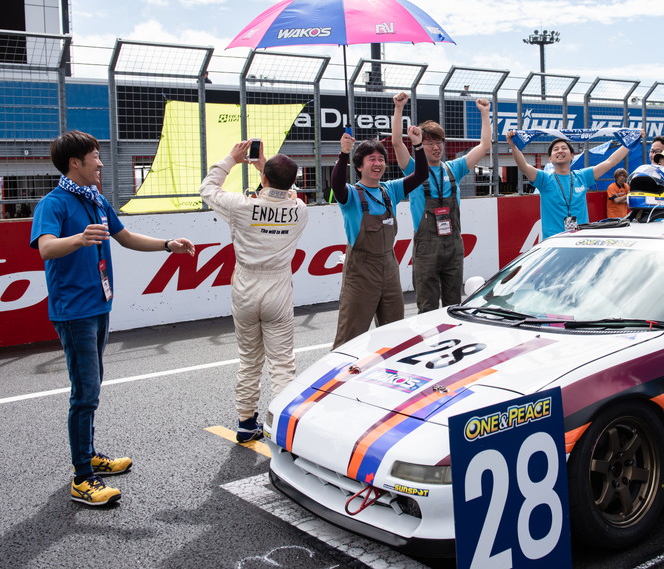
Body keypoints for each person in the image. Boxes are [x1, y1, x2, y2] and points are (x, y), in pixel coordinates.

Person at [29, 130, 196, 506]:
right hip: (74, 312)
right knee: (84, 392)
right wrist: (78, 238)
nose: (101, 163)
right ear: (75, 162)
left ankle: (89, 457)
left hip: (99, 306)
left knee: (92, 388)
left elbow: (126, 237)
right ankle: (82, 478)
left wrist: (167, 245)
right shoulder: (52, 204)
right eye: (95, 157)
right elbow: (46, 248)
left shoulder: (96, 199)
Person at [199, 140, 308, 443]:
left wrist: (231, 159)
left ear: (264, 179)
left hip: (245, 287)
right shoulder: (299, 209)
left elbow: (207, 189)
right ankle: (284, 429)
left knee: (249, 360)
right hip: (278, 288)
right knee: (282, 362)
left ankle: (246, 423)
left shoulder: (241, 206)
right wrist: (266, 169)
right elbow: (286, 192)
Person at [391, 92, 492, 312]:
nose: (436, 147)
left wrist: (485, 114)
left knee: (453, 305)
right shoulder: (414, 170)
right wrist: (399, 109)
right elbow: (397, 143)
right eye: (429, 143)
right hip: (426, 247)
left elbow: (485, 146)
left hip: (453, 244)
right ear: (421, 144)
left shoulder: (454, 168)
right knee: (427, 306)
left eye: (439, 142)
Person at [330, 130, 429, 348]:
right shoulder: (351, 194)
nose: (378, 163)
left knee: (394, 332)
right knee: (350, 336)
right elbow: (336, 185)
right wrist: (344, 153)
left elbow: (421, 174)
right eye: (372, 159)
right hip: (361, 271)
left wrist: (418, 145)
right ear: (359, 166)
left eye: (381, 159)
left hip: (389, 266)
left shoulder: (390, 190)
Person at [506, 131, 632, 239]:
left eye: (564, 148)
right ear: (550, 158)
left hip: (581, 238)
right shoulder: (544, 179)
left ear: (572, 156)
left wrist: (630, 141)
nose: (560, 151)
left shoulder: (582, 176)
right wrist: (514, 146)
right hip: (554, 240)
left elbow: (610, 162)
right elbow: (523, 166)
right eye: (556, 149)